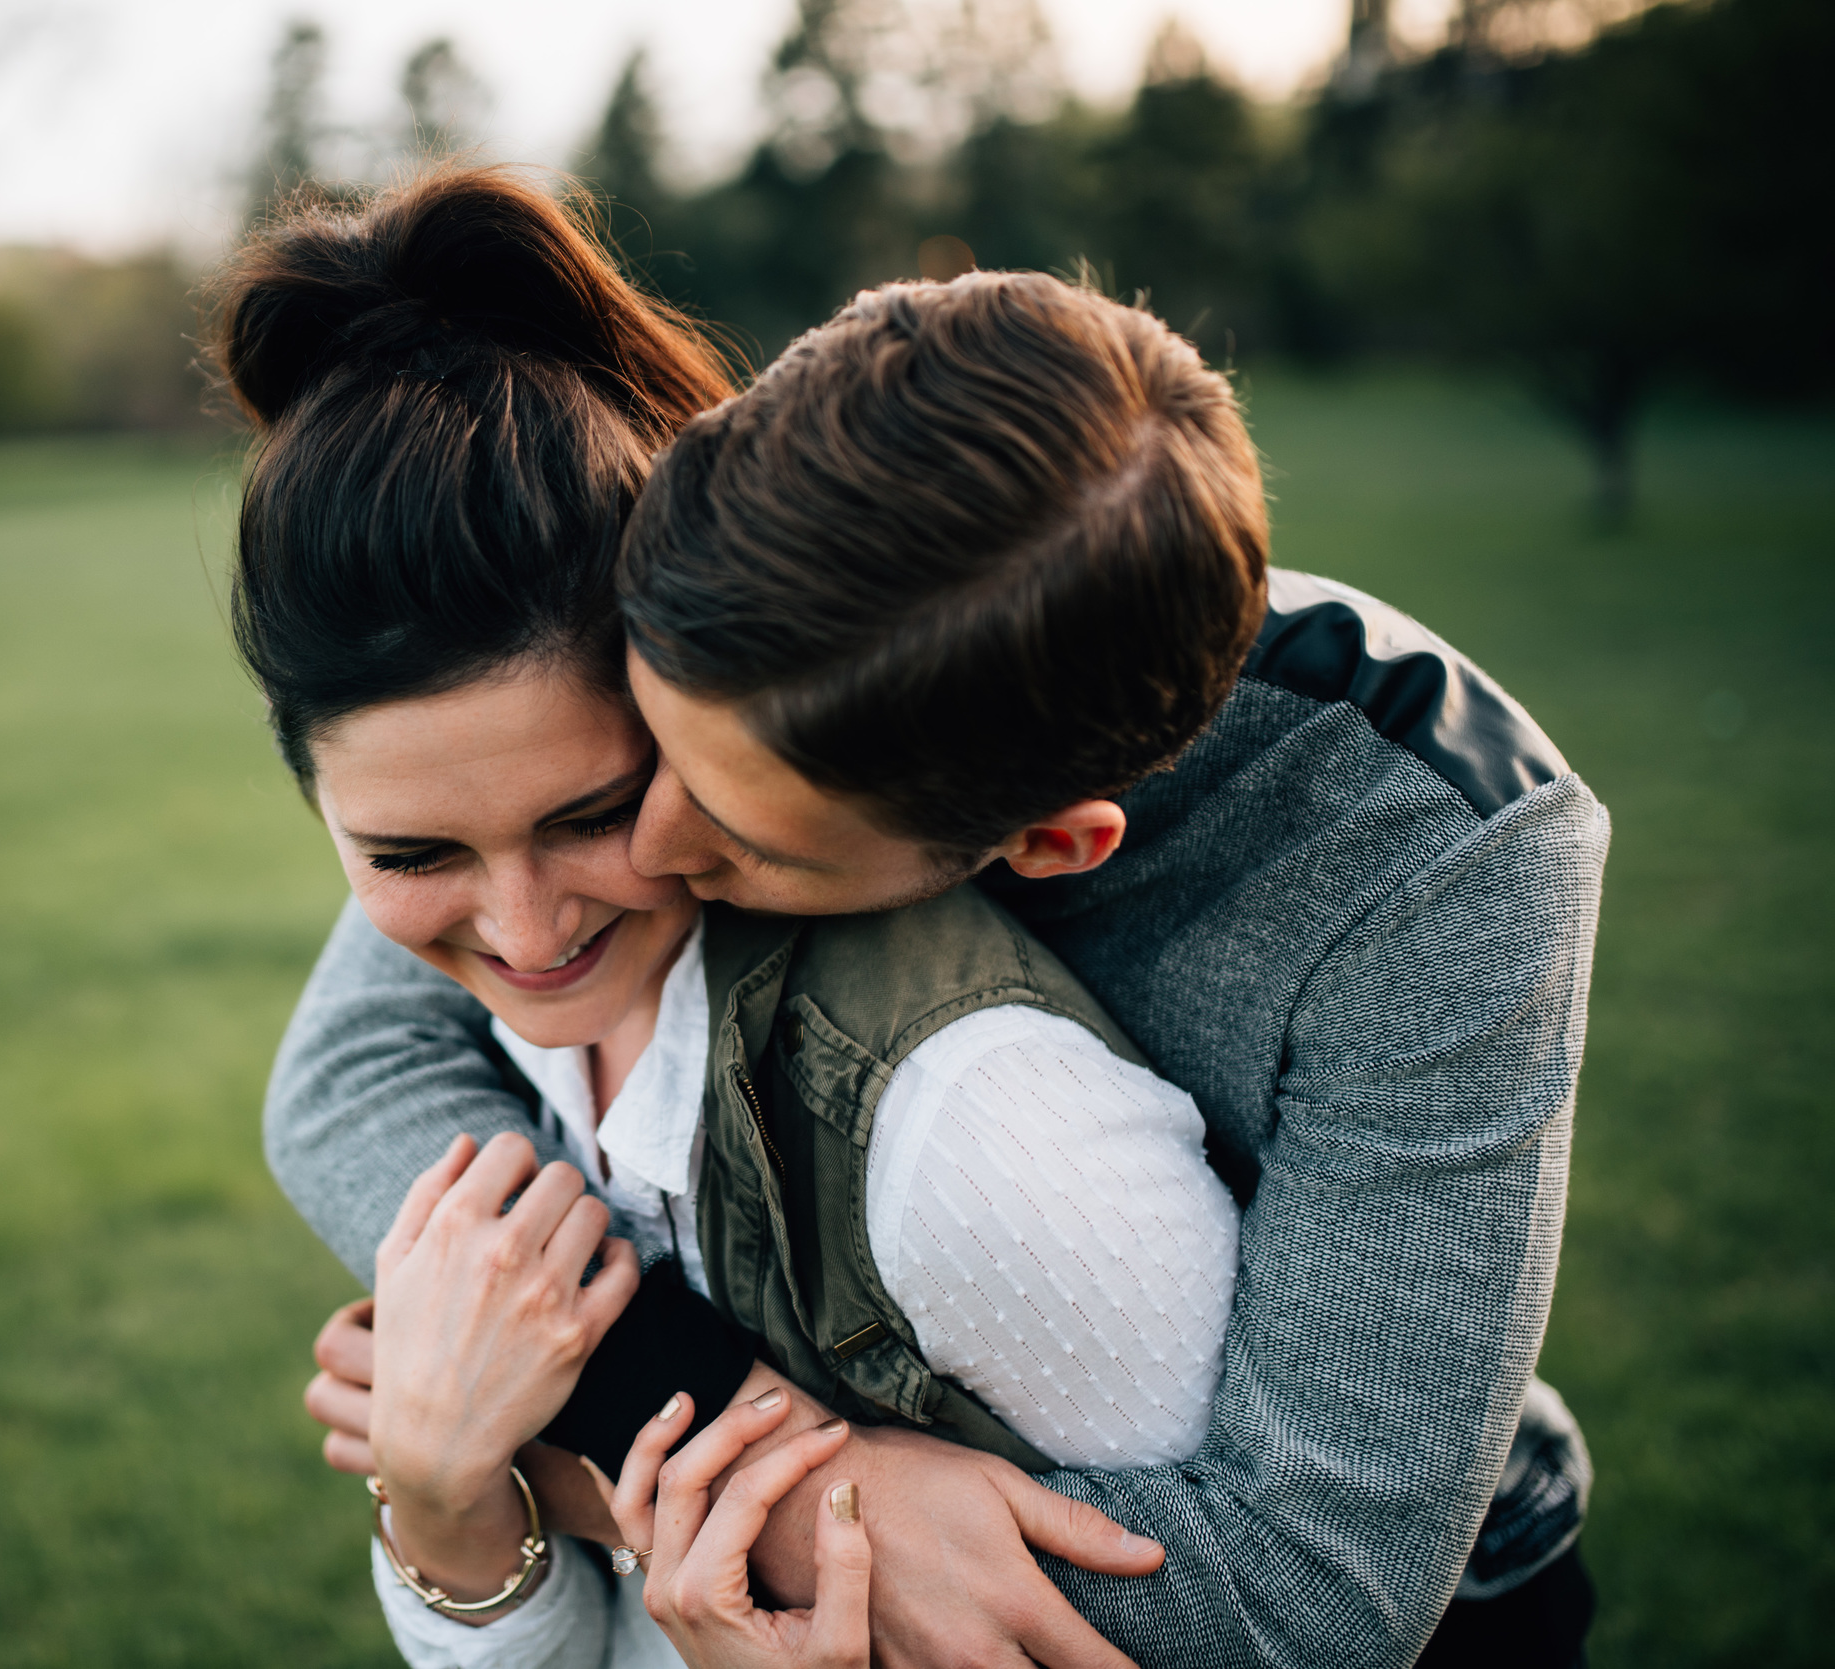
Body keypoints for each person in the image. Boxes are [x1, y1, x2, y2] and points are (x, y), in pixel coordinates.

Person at [270, 196, 1608, 1663]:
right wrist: (703, 1424)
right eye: (644, 761)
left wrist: (640, 1481)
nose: (646, 853)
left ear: (1042, 845)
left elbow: (1307, 1601)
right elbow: (350, 1078)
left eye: (732, 830)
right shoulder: (763, 550)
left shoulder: (1440, 862)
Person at [208, 166, 1252, 1669]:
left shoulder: (979, 1147)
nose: (522, 931)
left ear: (691, 705)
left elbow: (1233, 1624)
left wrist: (605, 1478)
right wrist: (448, 1498)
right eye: (411, 846)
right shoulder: (525, 1047)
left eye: (588, 813)